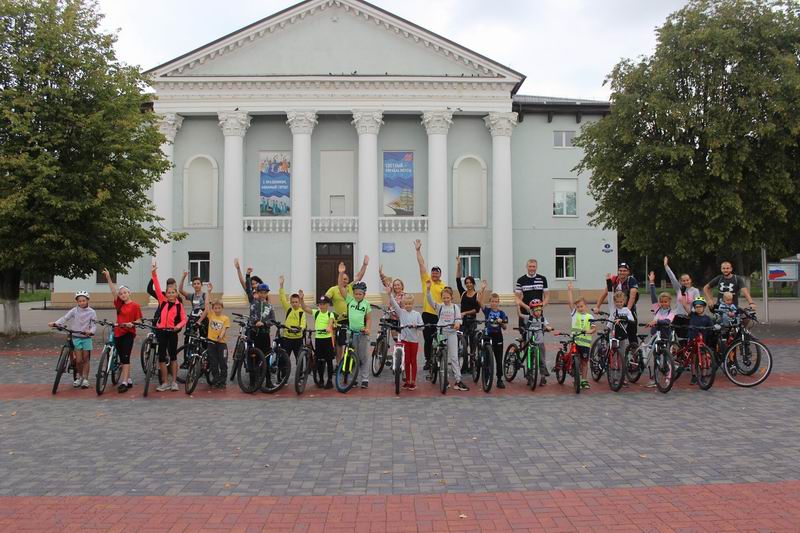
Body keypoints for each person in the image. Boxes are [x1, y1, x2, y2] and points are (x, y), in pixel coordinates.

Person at [101, 269, 143, 392]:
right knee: (121, 357)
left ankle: (124, 382)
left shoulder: (135, 306)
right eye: (121, 294)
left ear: (129, 293)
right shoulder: (119, 304)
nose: (123, 295)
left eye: (125, 292)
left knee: (126, 357)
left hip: (128, 334)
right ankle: (128, 379)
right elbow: (113, 291)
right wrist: (108, 277)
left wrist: (132, 324)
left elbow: (139, 320)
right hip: (118, 332)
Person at [425, 280, 468, 391]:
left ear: (451, 297)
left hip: (452, 333)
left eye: (447, 298)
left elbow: (458, 318)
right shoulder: (440, 307)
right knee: (440, 353)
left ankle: (458, 380)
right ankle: (443, 376)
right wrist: (428, 290)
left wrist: (458, 323)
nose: (445, 300)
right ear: (442, 298)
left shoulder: (455, 307)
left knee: (454, 357)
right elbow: (430, 301)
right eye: (444, 298)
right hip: (441, 333)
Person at [49, 291, 97, 389]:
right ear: (77, 302)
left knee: (86, 359)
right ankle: (79, 376)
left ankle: (85, 379)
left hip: (86, 337)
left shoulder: (92, 312)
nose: (82, 303)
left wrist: (91, 331)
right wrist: (56, 323)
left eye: (84, 300)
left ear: (87, 300)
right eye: (79, 301)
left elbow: (94, 325)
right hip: (76, 337)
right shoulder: (74, 310)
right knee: (79, 360)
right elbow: (65, 318)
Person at [151, 261, 187, 392]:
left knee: (173, 356)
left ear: (176, 294)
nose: (171, 294)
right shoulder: (162, 301)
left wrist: (178, 326)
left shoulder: (179, 305)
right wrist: (154, 273)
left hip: (172, 332)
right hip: (161, 331)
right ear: (165, 294)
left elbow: (184, 319)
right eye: (169, 292)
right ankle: (165, 382)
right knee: (161, 357)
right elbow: (156, 285)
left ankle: (174, 382)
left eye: (173, 292)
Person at [326, 257, 369, 361]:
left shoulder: (351, 287)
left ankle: (351, 360)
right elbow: (325, 301)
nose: (344, 281)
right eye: (342, 279)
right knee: (340, 343)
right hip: (340, 319)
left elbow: (359, 276)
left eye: (346, 279)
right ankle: (339, 362)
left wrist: (364, 265)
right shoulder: (333, 289)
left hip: (352, 318)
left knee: (352, 341)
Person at [386, 284, 424, 390]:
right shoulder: (401, 312)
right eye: (406, 304)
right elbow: (394, 303)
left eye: (409, 304)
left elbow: (422, 327)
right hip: (404, 340)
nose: (407, 305)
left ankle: (413, 381)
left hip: (414, 341)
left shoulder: (416, 314)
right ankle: (407, 380)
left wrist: (417, 326)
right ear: (403, 304)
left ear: (413, 304)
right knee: (406, 361)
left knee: (413, 361)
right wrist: (389, 294)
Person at [415, 240, 444, 370]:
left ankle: (438, 359)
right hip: (427, 315)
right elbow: (421, 265)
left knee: (439, 339)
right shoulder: (426, 281)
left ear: (440, 274)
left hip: (439, 316)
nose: (434, 274)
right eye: (433, 272)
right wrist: (418, 250)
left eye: (436, 272)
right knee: (427, 339)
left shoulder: (444, 286)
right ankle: (427, 360)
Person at [594, 262, 639, 346]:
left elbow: (632, 296)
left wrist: (627, 311)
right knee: (610, 330)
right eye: (620, 270)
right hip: (616, 307)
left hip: (628, 308)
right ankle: (607, 350)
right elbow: (605, 293)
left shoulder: (631, 280)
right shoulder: (614, 280)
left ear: (628, 272)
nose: (622, 272)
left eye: (624, 271)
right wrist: (597, 307)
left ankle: (635, 355)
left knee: (631, 334)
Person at [298, 292, 336, 389]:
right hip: (319, 339)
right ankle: (321, 379)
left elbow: (331, 322)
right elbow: (305, 308)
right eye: (320, 304)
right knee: (319, 360)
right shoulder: (317, 312)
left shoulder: (330, 314)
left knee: (329, 360)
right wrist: (301, 299)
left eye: (324, 304)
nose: (322, 306)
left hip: (327, 339)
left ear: (328, 305)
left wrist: (328, 327)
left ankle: (330, 380)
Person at [644, 271, 676, 387]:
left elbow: (667, 321)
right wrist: (651, 282)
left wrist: (656, 321)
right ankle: (654, 377)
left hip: (665, 336)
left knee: (666, 356)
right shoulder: (657, 309)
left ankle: (668, 375)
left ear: (669, 302)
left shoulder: (672, 312)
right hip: (655, 335)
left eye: (665, 302)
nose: (663, 304)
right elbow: (653, 297)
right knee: (655, 356)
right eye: (661, 302)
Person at [339, 281, 371, 388]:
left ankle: (365, 379)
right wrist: (341, 273)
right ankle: (354, 378)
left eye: (360, 294)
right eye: (356, 294)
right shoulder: (350, 300)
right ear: (353, 294)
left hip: (362, 334)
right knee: (353, 356)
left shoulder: (366, 304)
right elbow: (341, 288)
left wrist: (367, 329)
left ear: (364, 294)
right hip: (351, 332)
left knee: (363, 357)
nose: (357, 296)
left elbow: (369, 318)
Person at [516, 298, 554, 386]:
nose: (538, 312)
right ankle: (529, 376)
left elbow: (547, 325)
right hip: (530, 342)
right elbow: (520, 315)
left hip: (539, 342)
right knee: (529, 360)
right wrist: (518, 305)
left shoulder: (542, 319)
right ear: (532, 311)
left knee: (541, 360)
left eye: (540, 310)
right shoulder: (528, 318)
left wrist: (548, 328)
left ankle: (543, 377)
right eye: (536, 310)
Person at [198, 283, 229, 389]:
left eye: (219, 308)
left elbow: (224, 328)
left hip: (221, 343)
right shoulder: (210, 315)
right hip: (211, 342)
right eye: (215, 308)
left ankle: (223, 380)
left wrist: (221, 336)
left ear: (222, 308)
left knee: (223, 363)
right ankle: (216, 379)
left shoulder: (225, 318)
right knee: (214, 363)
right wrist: (209, 292)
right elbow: (206, 305)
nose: (217, 310)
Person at [567, 281, 597, 390]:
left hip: (585, 344)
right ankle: (575, 376)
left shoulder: (590, 316)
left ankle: (584, 380)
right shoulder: (575, 314)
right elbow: (570, 303)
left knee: (584, 362)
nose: (580, 308)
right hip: (575, 342)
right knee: (575, 360)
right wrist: (570, 290)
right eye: (578, 306)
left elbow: (594, 329)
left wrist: (588, 331)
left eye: (582, 306)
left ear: (586, 306)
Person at [663, 256, 700, 335]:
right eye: (683, 281)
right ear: (680, 281)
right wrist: (666, 266)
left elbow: (697, 304)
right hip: (677, 317)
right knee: (676, 338)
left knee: (686, 338)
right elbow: (672, 278)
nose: (686, 282)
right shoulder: (678, 289)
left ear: (690, 280)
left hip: (689, 318)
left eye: (687, 280)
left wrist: (692, 313)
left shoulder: (695, 291)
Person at [455, 256, 480, 372]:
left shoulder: (477, 294)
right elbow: (457, 279)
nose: (468, 284)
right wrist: (459, 264)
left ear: (473, 283)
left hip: (472, 321)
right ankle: (464, 365)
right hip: (463, 322)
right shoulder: (463, 293)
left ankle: (472, 365)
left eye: (470, 283)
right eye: (467, 283)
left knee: (473, 344)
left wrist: (465, 312)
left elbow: (477, 309)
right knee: (463, 343)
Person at [481, 287, 509, 389]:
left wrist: (501, 323)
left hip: (498, 336)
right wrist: (483, 290)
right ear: (490, 302)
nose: (494, 303)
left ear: (498, 302)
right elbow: (480, 302)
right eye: (492, 301)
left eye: (496, 301)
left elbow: (505, 327)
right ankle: (487, 375)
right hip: (488, 335)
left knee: (498, 358)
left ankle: (499, 379)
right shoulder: (487, 311)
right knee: (488, 358)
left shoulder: (502, 313)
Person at [515, 259, 549, 338]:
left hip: (538, 312)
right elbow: (517, 298)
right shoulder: (521, 280)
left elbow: (547, 296)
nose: (532, 268)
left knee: (539, 335)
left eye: (534, 266)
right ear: (527, 267)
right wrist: (526, 307)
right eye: (530, 266)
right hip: (525, 311)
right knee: (524, 336)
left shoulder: (542, 279)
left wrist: (541, 306)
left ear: (536, 267)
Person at [244, 266, 275, 356]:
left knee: (266, 354)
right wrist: (248, 275)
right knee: (253, 354)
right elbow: (248, 289)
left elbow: (272, 319)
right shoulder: (253, 301)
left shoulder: (270, 306)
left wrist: (265, 324)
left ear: (267, 293)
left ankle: (265, 370)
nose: (263, 294)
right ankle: (252, 369)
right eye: (261, 292)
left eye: (265, 292)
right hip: (254, 332)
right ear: (257, 292)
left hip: (265, 334)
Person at [278, 275, 307, 363]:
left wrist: (301, 328)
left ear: (299, 302)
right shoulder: (289, 309)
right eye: (293, 302)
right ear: (290, 302)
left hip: (298, 338)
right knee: (284, 359)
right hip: (287, 338)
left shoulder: (302, 312)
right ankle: (283, 374)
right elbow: (283, 299)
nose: (294, 304)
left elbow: (303, 323)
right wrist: (281, 286)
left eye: (296, 302)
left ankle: (300, 375)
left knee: (299, 360)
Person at [687, 296, 715, 385]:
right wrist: (683, 294)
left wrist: (714, 328)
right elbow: (685, 305)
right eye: (696, 307)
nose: (698, 309)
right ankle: (694, 376)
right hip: (693, 340)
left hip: (703, 342)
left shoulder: (707, 318)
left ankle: (703, 376)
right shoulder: (692, 315)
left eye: (700, 307)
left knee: (703, 359)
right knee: (693, 358)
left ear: (704, 307)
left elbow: (712, 328)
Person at [379, 265, 404, 341]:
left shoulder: (405, 295)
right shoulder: (392, 293)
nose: (396, 287)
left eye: (398, 285)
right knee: (395, 338)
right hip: (392, 318)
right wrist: (381, 274)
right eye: (395, 285)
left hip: (401, 320)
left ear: (402, 286)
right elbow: (386, 282)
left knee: (400, 339)